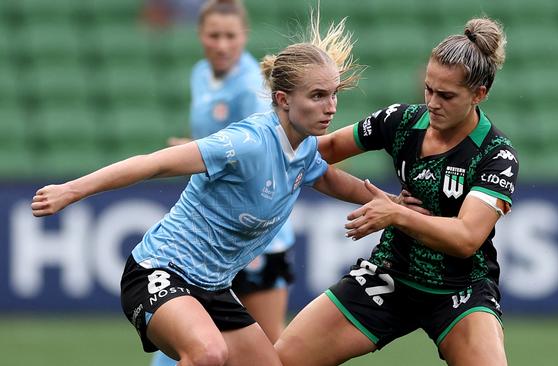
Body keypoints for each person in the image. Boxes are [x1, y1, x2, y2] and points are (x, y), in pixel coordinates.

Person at [31, 12, 371, 366]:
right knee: (208, 353)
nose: (331, 107)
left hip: (213, 287)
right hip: (159, 271)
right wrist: (70, 191)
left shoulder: (303, 148)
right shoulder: (249, 142)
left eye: (333, 95)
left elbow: (328, 177)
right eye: (318, 96)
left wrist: (393, 205)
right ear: (283, 99)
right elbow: (154, 164)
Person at [275, 17, 518, 366]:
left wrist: (395, 213)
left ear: (479, 94)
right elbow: (319, 151)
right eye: (428, 89)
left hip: (460, 289)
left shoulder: (496, 155)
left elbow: (466, 237)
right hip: (390, 276)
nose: (432, 102)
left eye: (446, 95)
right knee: (282, 361)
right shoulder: (401, 121)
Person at [151, 1, 297, 365]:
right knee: (197, 342)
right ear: (201, 35)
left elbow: (262, 156)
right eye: (214, 35)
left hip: (256, 240)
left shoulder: (251, 89)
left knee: (266, 348)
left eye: (230, 36)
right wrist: (194, 150)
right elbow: (216, 142)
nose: (221, 44)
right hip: (214, 232)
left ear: (244, 37)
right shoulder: (200, 73)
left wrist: (197, 154)